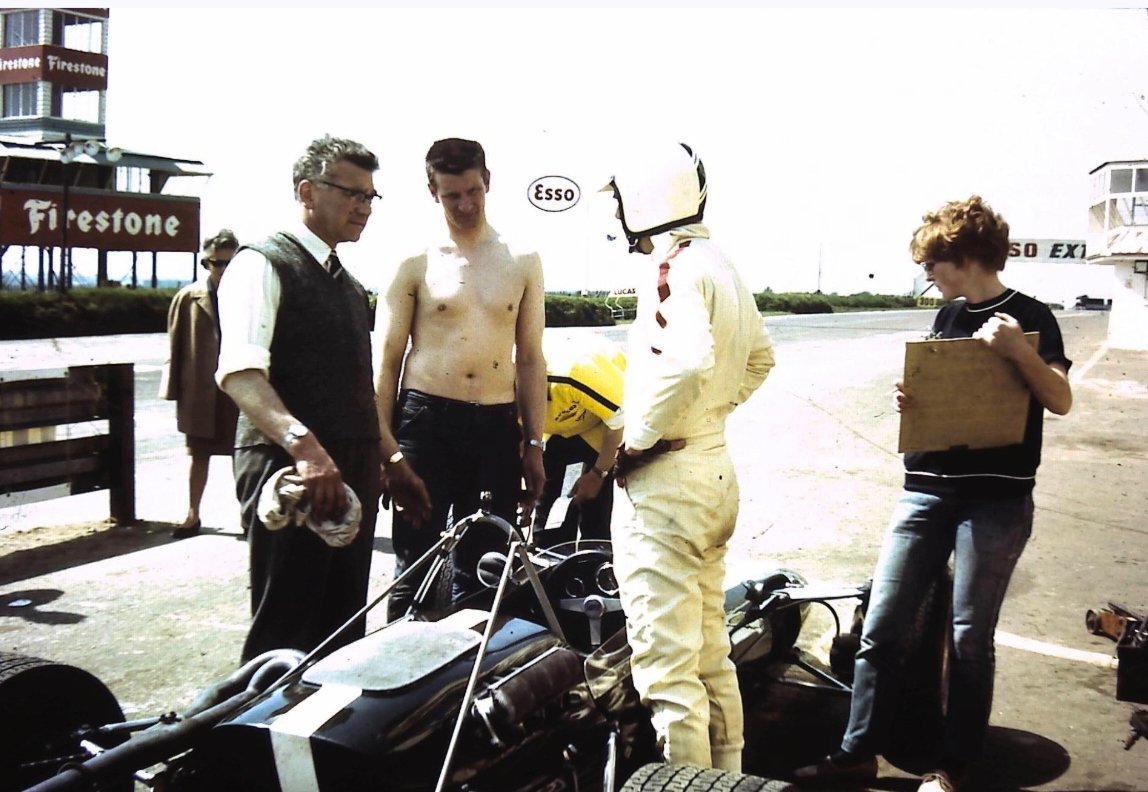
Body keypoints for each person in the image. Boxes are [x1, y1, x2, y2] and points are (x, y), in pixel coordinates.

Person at [793, 195, 1073, 792]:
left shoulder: (1032, 315)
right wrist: (914, 399)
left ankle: (953, 766)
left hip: (995, 498)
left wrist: (1019, 350)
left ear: (965, 257)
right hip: (925, 489)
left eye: (932, 264)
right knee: (882, 625)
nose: (926, 275)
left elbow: (1061, 398)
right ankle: (857, 753)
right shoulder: (946, 319)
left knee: (970, 637)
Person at [604, 142, 775, 771]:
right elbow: (758, 359)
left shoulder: (671, 267)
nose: (618, 212)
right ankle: (727, 780)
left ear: (646, 197)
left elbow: (686, 361)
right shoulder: (720, 263)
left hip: (668, 485)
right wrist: (708, 417)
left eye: (621, 198)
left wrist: (638, 439)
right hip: (713, 468)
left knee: (667, 672)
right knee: (710, 653)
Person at [216, 134, 383, 663]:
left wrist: (387, 461)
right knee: (284, 638)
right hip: (290, 472)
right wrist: (305, 448)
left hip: (349, 472)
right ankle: (248, 745)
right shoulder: (262, 264)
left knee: (340, 637)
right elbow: (240, 375)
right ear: (307, 192)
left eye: (370, 197)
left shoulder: (350, 285)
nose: (363, 206)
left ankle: (321, 746)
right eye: (350, 193)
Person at [375, 137, 546, 621]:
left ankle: (476, 687)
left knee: (487, 568)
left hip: (494, 425)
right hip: (427, 421)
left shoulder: (522, 260)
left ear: (487, 182)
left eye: (473, 191)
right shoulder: (414, 260)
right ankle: (406, 684)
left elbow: (531, 359)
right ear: (433, 191)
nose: (466, 205)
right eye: (452, 195)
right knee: (415, 566)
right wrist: (387, 451)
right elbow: (386, 362)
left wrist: (534, 442)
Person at [161, 229, 240, 540]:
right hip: (200, 391)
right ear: (206, 263)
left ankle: (248, 515)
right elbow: (175, 345)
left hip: (238, 390)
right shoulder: (188, 297)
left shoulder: (249, 297)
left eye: (228, 263)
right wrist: (173, 391)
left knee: (243, 454)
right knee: (197, 454)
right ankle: (192, 513)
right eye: (216, 263)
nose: (222, 270)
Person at [532, 335, 626, 548]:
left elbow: (621, 422)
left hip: (608, 422)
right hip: (562, 426)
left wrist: (598, 474)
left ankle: (594, 566)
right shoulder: (503, 391)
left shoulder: (571, 376)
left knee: (595, 514)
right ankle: (549, 564)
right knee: (550, 517)